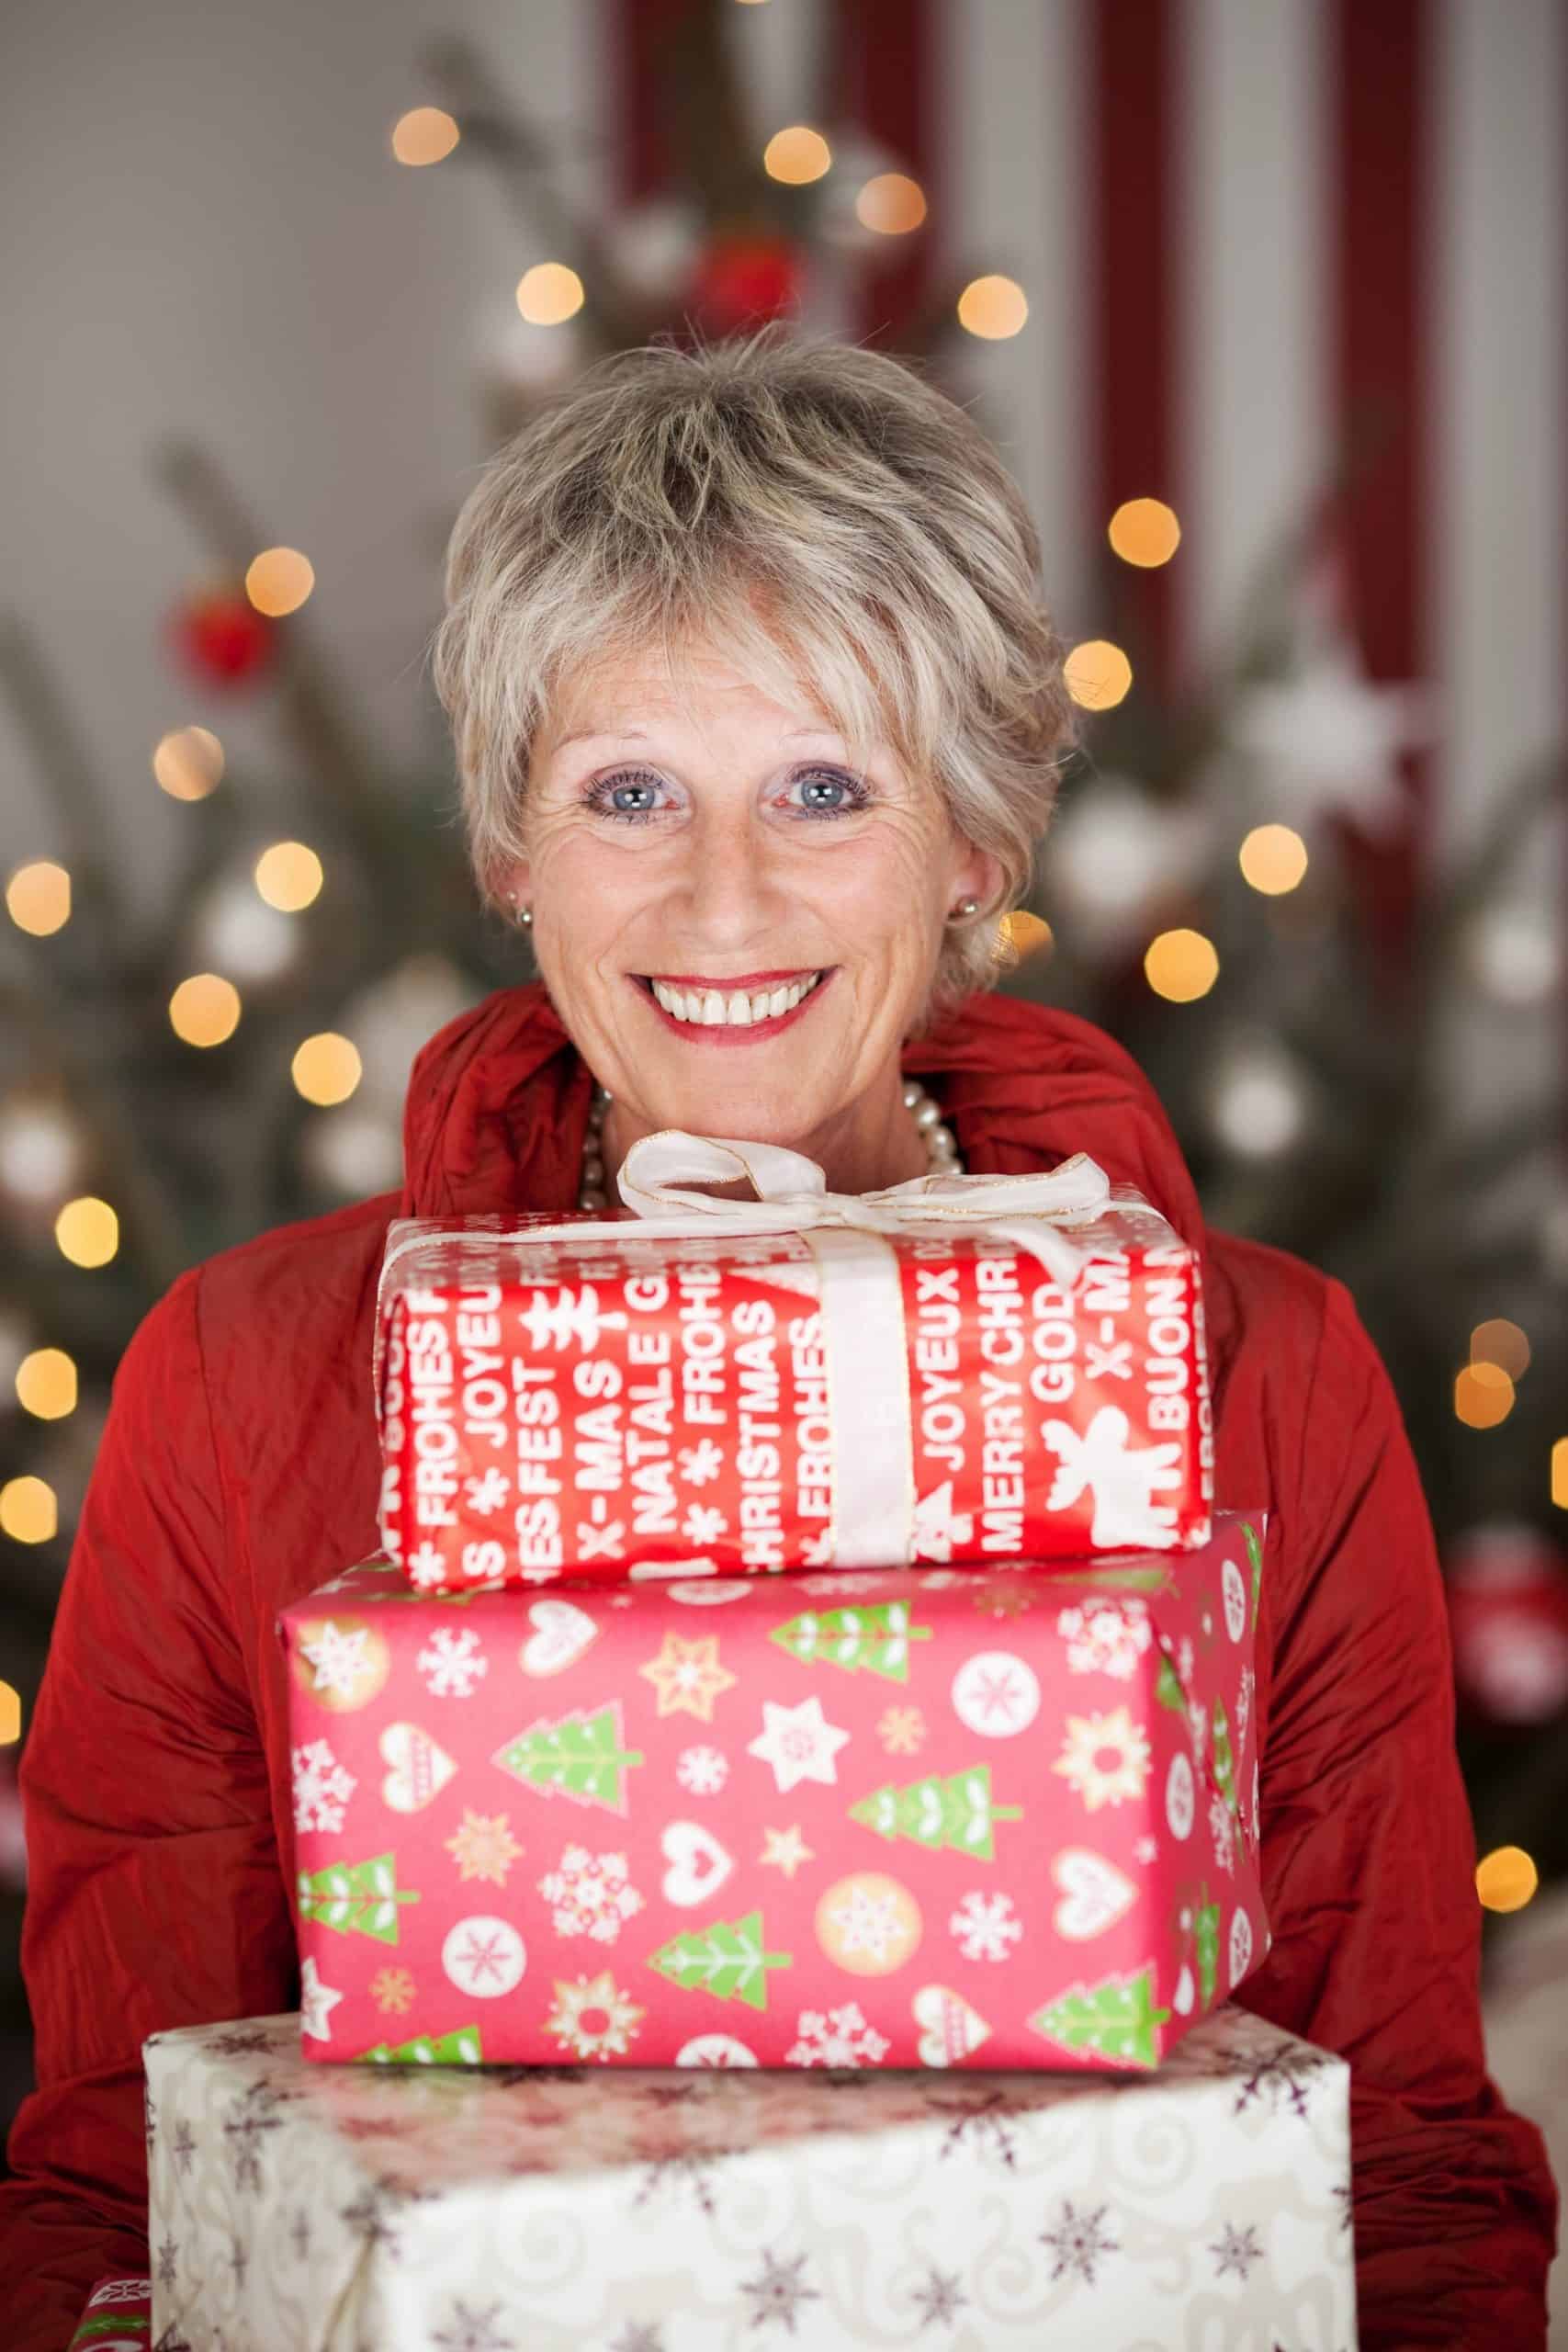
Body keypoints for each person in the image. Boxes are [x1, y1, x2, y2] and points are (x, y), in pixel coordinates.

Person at [1, 326, 1556, 2347]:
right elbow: (134, 2173)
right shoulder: (247, 1371)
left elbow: (1396, 2166)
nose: (720, 897)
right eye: (626, 788)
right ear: (510, 848)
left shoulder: (1249, 1369)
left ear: (972, 842)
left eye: (822, 785)